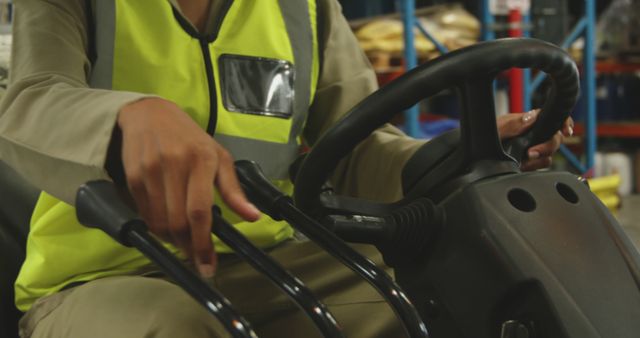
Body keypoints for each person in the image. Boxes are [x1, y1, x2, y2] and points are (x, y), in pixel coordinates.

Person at [0, 0, 572, 337]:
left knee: (451, 292)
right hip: (106, 275)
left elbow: (353, 144)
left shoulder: (302, 7)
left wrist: (455, 151)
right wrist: (127, 117)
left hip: (271, 261)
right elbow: (29, 100)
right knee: (169, 325)